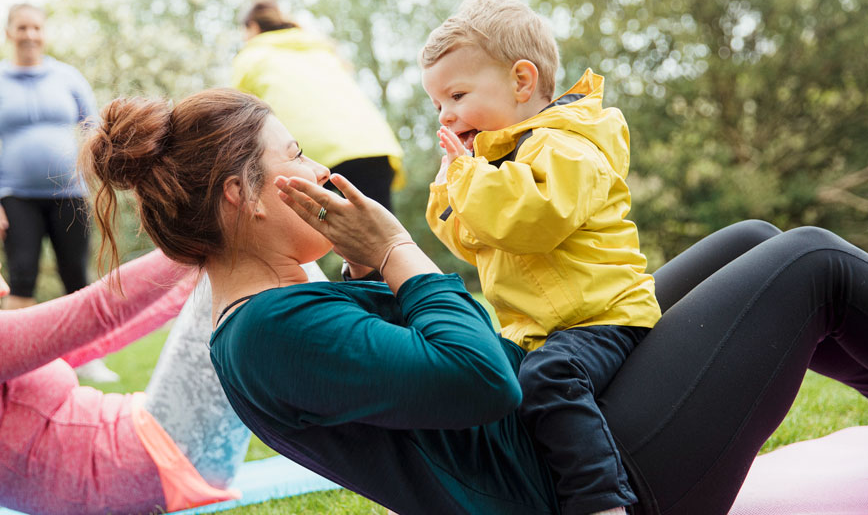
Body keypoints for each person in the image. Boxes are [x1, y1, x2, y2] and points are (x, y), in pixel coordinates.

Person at [80, 87, 868, 515]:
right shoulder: (268, 336)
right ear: (242, 197)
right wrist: (394, 252)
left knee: (753, 239)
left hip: (559, 432)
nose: (320, 171)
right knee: (812, 262)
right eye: (295, 156)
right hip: (583, 483)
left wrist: (371, 267)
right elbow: (481, 373)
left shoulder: (283, 307)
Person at [420, 0, 659, 514]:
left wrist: (467, 176)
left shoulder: (563, 146)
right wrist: (449, 188)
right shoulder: (501, 161)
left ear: (522, 82)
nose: (446, 114)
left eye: (457, 94)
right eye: (438, 104)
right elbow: (474, 239)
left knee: (549, 378)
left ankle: (602, 502)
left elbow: (530, 221)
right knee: (517, 382)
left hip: (604, 317)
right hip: (550, 327)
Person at [0, 216, 257, 515]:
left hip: (156, 456)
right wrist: (202, 234)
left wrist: (189, 286)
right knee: (255, 262)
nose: (2, 287)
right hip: (152, 465)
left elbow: (98, 340)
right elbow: (97, 310)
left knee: (240, 265)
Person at [0, 3, 116, 382]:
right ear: (8, 32)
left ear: (45, 32)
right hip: (16, 197)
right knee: (20, 277)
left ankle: (89, 358)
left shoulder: (68, 78)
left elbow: (94, 130)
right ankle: (13, 364)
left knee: (76, 277)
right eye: (22, 27)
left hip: (70, 193)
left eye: (36, 27)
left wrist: (104, 179)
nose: (30, 34)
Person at [232, 0, 405, 213]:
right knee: (384, 234)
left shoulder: (250, 56)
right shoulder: (319, 48)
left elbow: (240, 116)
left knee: (310, 231)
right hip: (372, 145)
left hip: (315, 154)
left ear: (253, 26)